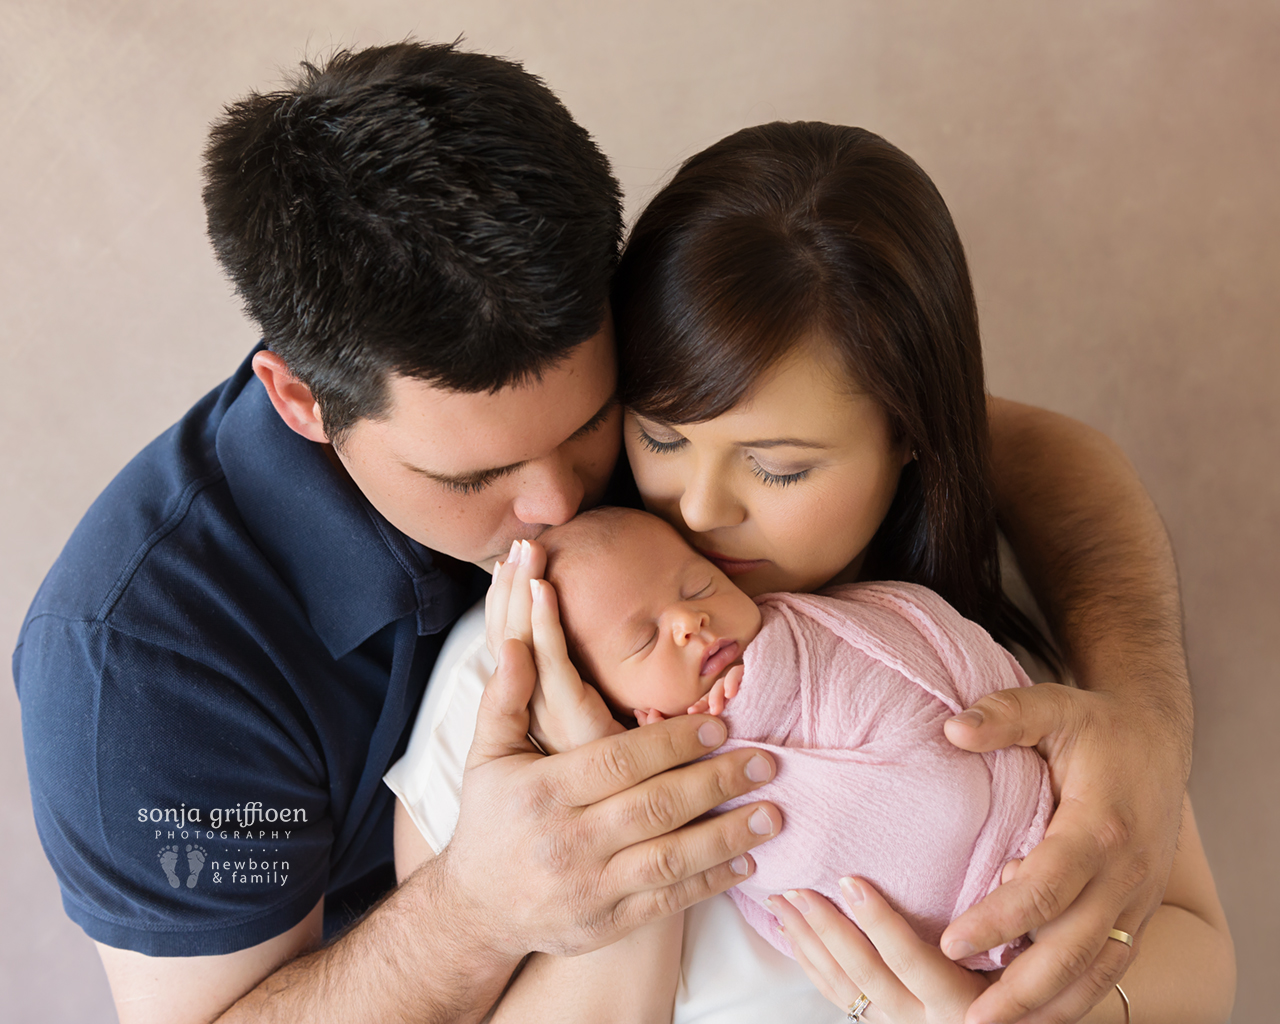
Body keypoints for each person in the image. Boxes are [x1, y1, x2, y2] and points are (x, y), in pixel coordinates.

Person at [12, 40, 1205, 1023]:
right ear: (298, 401)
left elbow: (1009, 447)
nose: (557, 506)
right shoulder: (140, 654)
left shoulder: (694, 478)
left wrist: (1145, 721)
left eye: (595, 426)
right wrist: (478, 909)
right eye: (473, 473)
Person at [387, 123, 1234, 1023]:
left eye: (779, 467)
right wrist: (622, 811)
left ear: (911, 434)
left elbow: (1205, 964)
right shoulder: (507, 696)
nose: (701, 507)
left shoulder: (986, 642)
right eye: (663, 437)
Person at [462, 505, 1058, 972]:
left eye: (698, 587)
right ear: (608, 703)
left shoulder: (800, 629)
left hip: (1033, 810)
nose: (688, 621)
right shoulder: (659, 780)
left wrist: (758, 687)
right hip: (955, 936)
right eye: (644, 641)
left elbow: (897, 640)